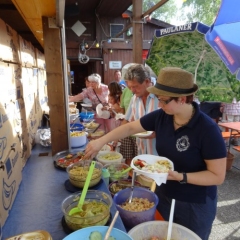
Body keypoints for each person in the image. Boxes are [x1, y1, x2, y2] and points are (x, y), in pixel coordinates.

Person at [84, 67, 226, 240]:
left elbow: (217, 176)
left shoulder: (207, 130)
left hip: (194, 204)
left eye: (164, 100)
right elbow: (129, 127)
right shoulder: (163, 116)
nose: (159, 104)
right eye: (159, 99)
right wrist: (100, 141)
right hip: (164, 193)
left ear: (182, 99)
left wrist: (180, 177)